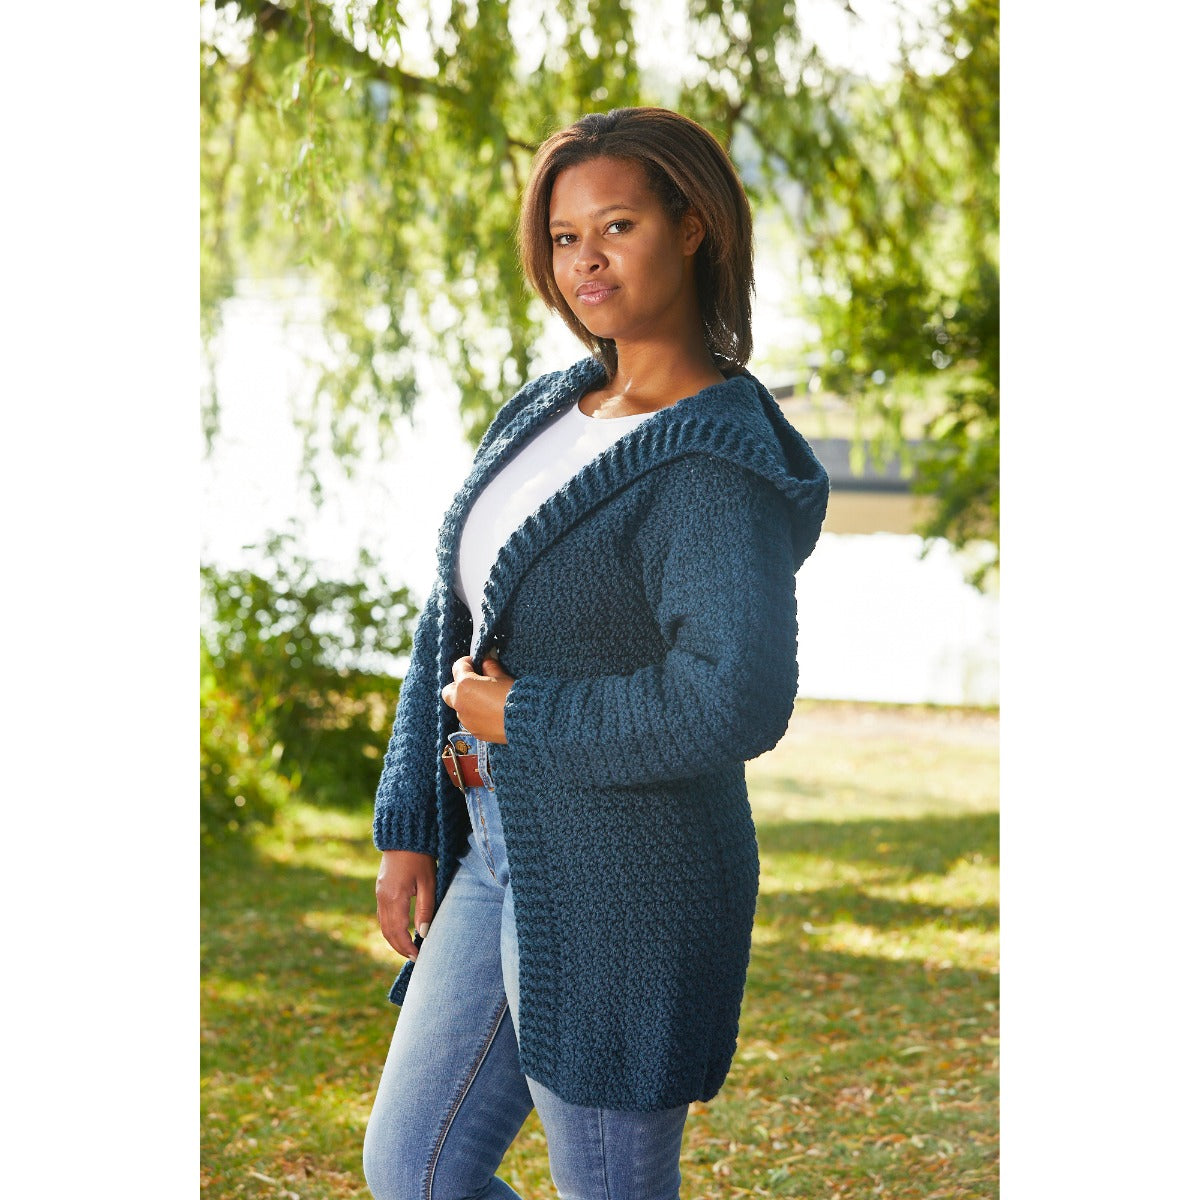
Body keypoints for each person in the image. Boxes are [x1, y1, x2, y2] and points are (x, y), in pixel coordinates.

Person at [362, 106, 829, 1200]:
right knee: (413, 1170)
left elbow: (734, 698)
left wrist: (524, 716)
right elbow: (450, 620)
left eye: (617, 226)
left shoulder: (713, 463)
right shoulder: (543, 409)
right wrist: (411, 820)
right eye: (565, 237)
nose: (586, 262)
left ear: (693, 227)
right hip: (488, 848)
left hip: (632, 879)